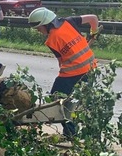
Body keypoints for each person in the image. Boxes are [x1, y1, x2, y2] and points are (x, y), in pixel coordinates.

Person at [28, 7, 99, 137]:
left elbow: (61, 62)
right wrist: (94, 34)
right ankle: (89, 132)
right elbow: (93, 18)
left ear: (46, 24)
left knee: (56, 101)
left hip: (72, 73)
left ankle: (70, 133)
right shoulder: (70, 21)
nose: (38, 31)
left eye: (39, 28)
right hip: (91, 68)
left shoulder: (51, 40)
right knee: (82, 101)